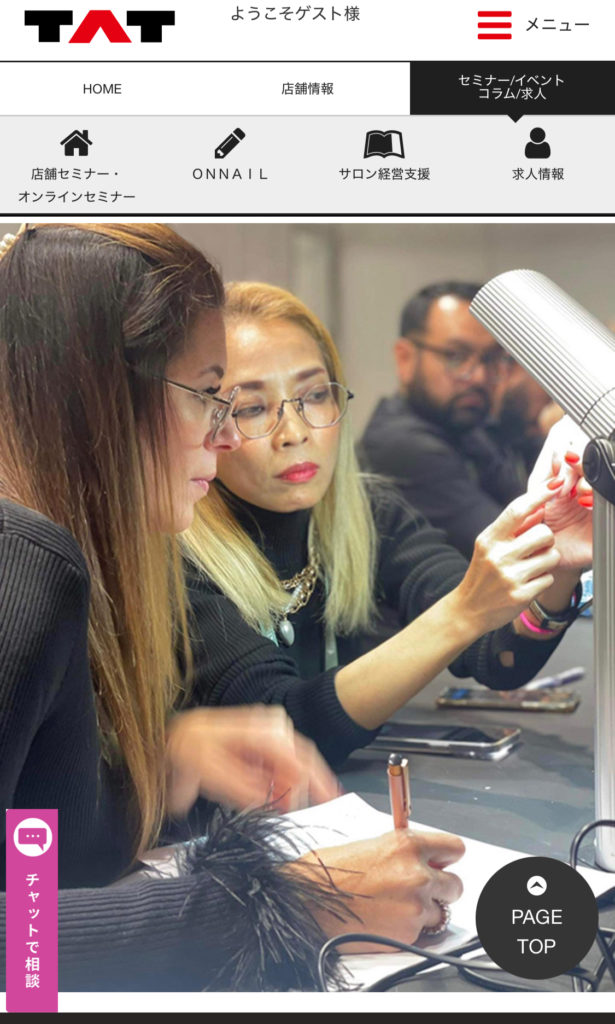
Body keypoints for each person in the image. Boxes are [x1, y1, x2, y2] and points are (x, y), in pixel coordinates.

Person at [0, 224, 466, 992]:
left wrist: (164, 770)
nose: (223, 438)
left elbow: (33, 856)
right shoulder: (21, 563)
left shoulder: (58, 559)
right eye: (209, 397)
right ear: (100, 397)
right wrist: (287, 909)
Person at [181, 281, 592, 769]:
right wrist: (464, 610)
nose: (294, 433)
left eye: (315, 396)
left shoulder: (369, 512)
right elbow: (284, 730)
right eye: (251, 408)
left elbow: (496, 656)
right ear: (207, 420)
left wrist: (558, 566)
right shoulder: (178, 552)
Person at [359, 281, 529, 558]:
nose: (479, 377)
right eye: (456, 356)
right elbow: (517, 545)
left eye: (491, 359)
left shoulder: (465, 428)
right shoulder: (401, 445)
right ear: (405, 359)